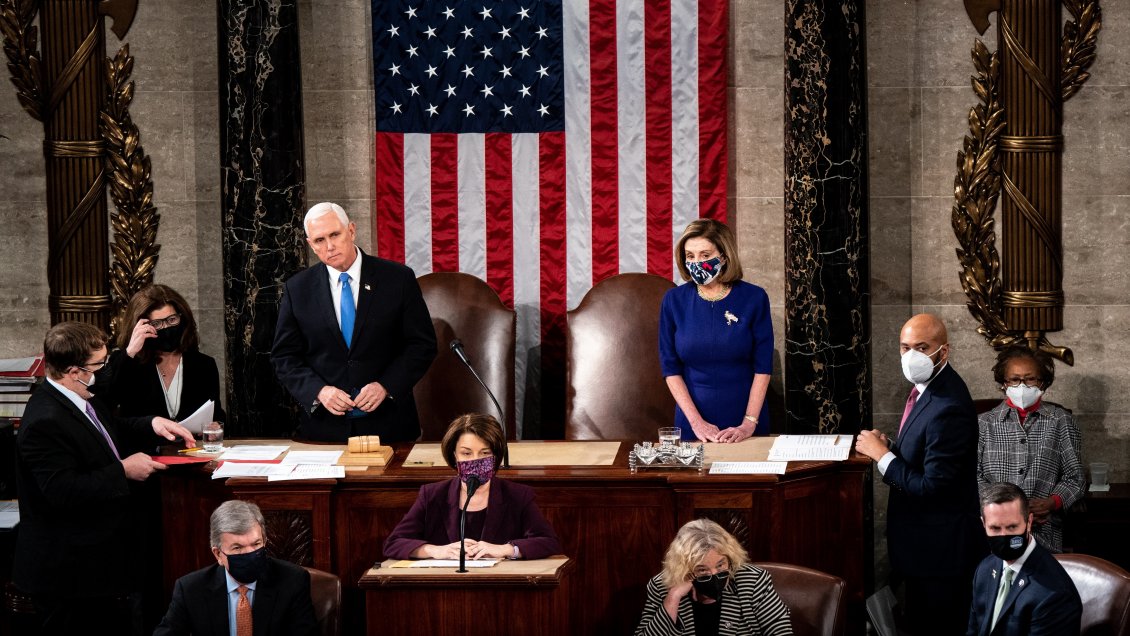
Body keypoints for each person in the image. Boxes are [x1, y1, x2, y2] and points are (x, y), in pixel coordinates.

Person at [14, 321, 196, 635]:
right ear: (73, 371)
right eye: (98, 365)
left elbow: (110, 429)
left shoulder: (81, 395)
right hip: (67, 573)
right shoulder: (45, 420)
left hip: (97, 565)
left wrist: (152, 423)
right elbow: (62, 490)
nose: (102, 372)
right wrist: (123, 470)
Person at [855, 313, 986, 636]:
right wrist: (894, 448)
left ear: (944, 351)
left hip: (940, 554)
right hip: (922, 549)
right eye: (904, 347)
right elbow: (926, 454)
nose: (911, 356)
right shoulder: (924, 388)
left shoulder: (949, 404)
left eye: (921, 347)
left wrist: (883, 456)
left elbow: (932, 487)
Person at [272, 202, 436, 442]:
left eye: (335, 235)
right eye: (319, 240)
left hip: (389, 425)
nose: (329, 246)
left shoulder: (397, 278)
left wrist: (386, 386)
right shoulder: (298, 289)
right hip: (325, 429)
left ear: (351, 230)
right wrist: (319, 391)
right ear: (310, 245)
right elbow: (284, 357)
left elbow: (422, 345)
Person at [383, 413, 561, 560]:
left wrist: (506, 549)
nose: (475, 460)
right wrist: (435, 551)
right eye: (466, 453)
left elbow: (548, 542)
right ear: (454, 455)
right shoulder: (432, 495)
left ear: (495, 457)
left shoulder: (517, 495)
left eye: (484, 453)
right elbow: (393, 543)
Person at [659, 219, 773, 443]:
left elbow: (763, 367)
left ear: (724, 255)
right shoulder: (673, 300)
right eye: (690, 256)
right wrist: (696, 422)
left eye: (705, 255)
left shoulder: (755, 298)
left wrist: (748, 423)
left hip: (745, 422)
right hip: (692, 424)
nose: (696, 262)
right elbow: (670, 368)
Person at [977, 346, 1085, 553]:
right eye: (1014, 379)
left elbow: (1075, 478)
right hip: (992, 531)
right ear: (1004, 383)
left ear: (1043, 382)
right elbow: (973, 476)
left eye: (1030, 379)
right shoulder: (983, 424)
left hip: (1043, 531)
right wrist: (1003, 508)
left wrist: (1052, 502)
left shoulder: (1061, 421)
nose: (1022, 386)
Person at [154, 500, 318, 635]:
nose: (250, 553)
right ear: (218, 554)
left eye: (256, 544)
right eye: (237, 548)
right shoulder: (190, 589)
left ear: (265, 541)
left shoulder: (293, 581)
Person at [98, 284, 226, 436]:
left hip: (191, 451)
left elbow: (216, 413)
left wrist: (216, 426)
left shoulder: (204, 364)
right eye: (157, 324)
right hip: (143, 453)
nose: (166, 327)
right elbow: (103, 405)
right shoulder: (127, 362)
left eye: (172, 319)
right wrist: (131, 351)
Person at [635, 518, 792, 636]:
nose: (714, 575)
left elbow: (781, 632)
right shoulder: (661, 586)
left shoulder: (752, 581)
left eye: (720, 565)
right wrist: (673, 599)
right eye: (702, 570)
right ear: (684, 569)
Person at [967, 482, 1081, 635]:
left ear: (1029, 522)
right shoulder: (984, 570)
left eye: (1012, 527)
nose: (1003, 536)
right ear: (983, 524)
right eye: (995, 528)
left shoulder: (1055, 594)